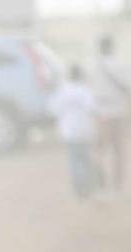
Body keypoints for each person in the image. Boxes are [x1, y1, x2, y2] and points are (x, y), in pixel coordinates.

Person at [91, 35, 131, 191]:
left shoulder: (93, 66)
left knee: (100, 150)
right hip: (119, 112)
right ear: (112, 47)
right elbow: (128, 88)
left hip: (101, 113)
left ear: (100, 48)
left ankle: (100, 180)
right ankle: (118, 184)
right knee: (119, 151)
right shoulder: (121, 65)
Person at [49, 64, 100, 198]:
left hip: (69, 131)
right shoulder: (85, 91)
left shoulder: (62, 91)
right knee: (85, 159)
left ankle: (79, 188)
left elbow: (53, 110)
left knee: (74, 160)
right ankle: (88, 186)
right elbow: (92, 109)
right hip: (84, 130)